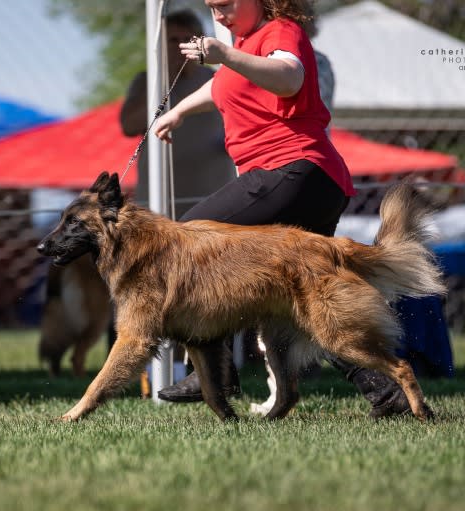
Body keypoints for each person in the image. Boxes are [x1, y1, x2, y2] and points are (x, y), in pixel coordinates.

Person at [154, 0, 412, 418]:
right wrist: (181, 110)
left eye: (225, 5)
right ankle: (386, 394)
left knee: (187, 237)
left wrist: (225, 55)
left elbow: (289, 79)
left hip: (293, 171)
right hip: (315, 182)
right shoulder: (246, 42)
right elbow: (223, 86)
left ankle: (214, 373)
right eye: (211, 8)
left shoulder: (280, 31)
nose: (218, 16)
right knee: (305, 298)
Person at [120, 10, 236, 219]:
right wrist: (165, 80)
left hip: (214, 194)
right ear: (161, 45)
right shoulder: (147, 82)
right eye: (173, 40)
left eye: (188, 40)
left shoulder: (218, 78)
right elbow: (129, 126)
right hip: (159, 199)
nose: (181, 46)